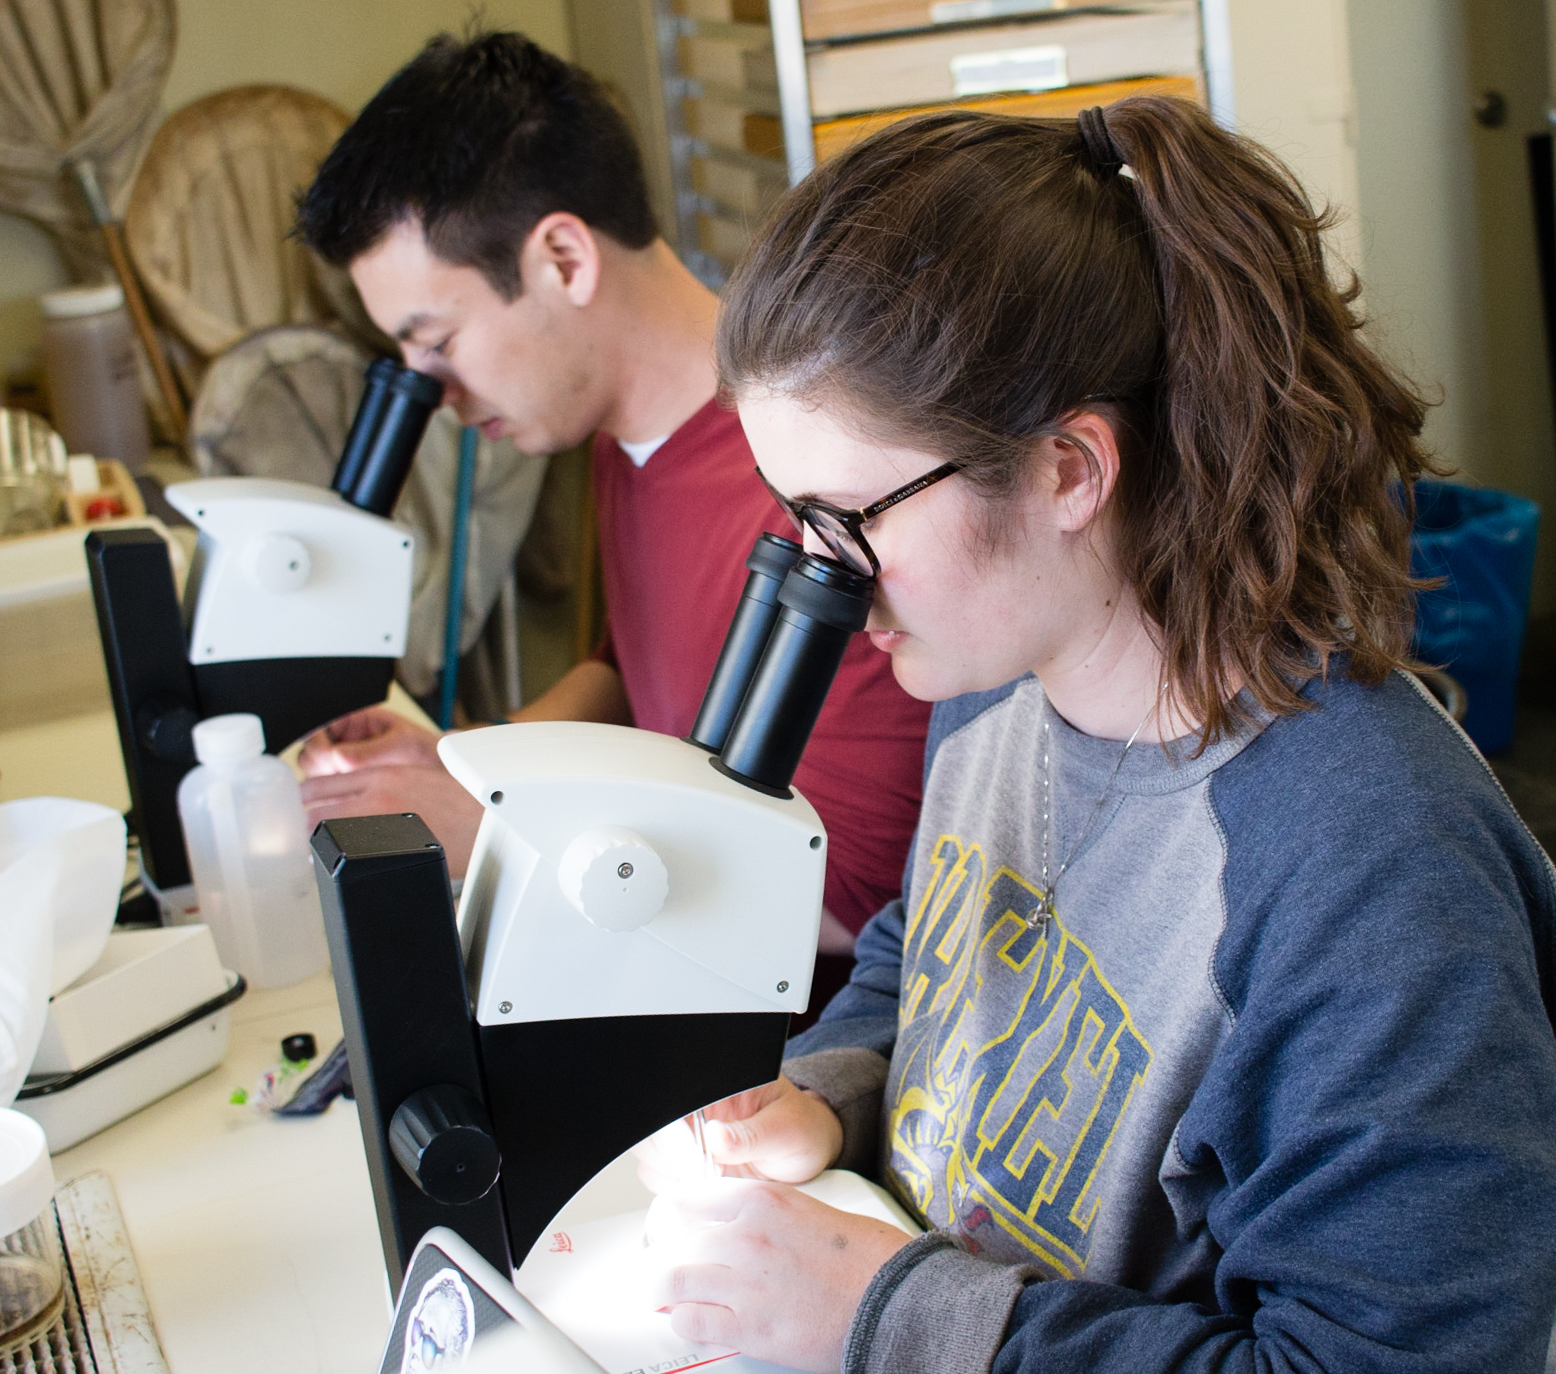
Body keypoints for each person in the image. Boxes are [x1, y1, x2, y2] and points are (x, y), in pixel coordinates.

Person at [632, 99, 1556, 1372]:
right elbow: (936, 943)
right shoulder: (998, 678)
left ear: (1069, 469)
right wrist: (828, 1093)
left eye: (846, 517)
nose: (824, 584)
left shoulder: (1377, 877)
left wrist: (882, 1314)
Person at [292, 32, 928, 957]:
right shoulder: (622, 438)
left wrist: (501, 833)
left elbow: (857, 900)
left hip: (772, 1057)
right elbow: (640, 679)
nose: (437, 394)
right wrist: (473, 764)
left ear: (561, 259)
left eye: (437, 342)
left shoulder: (820, 489)